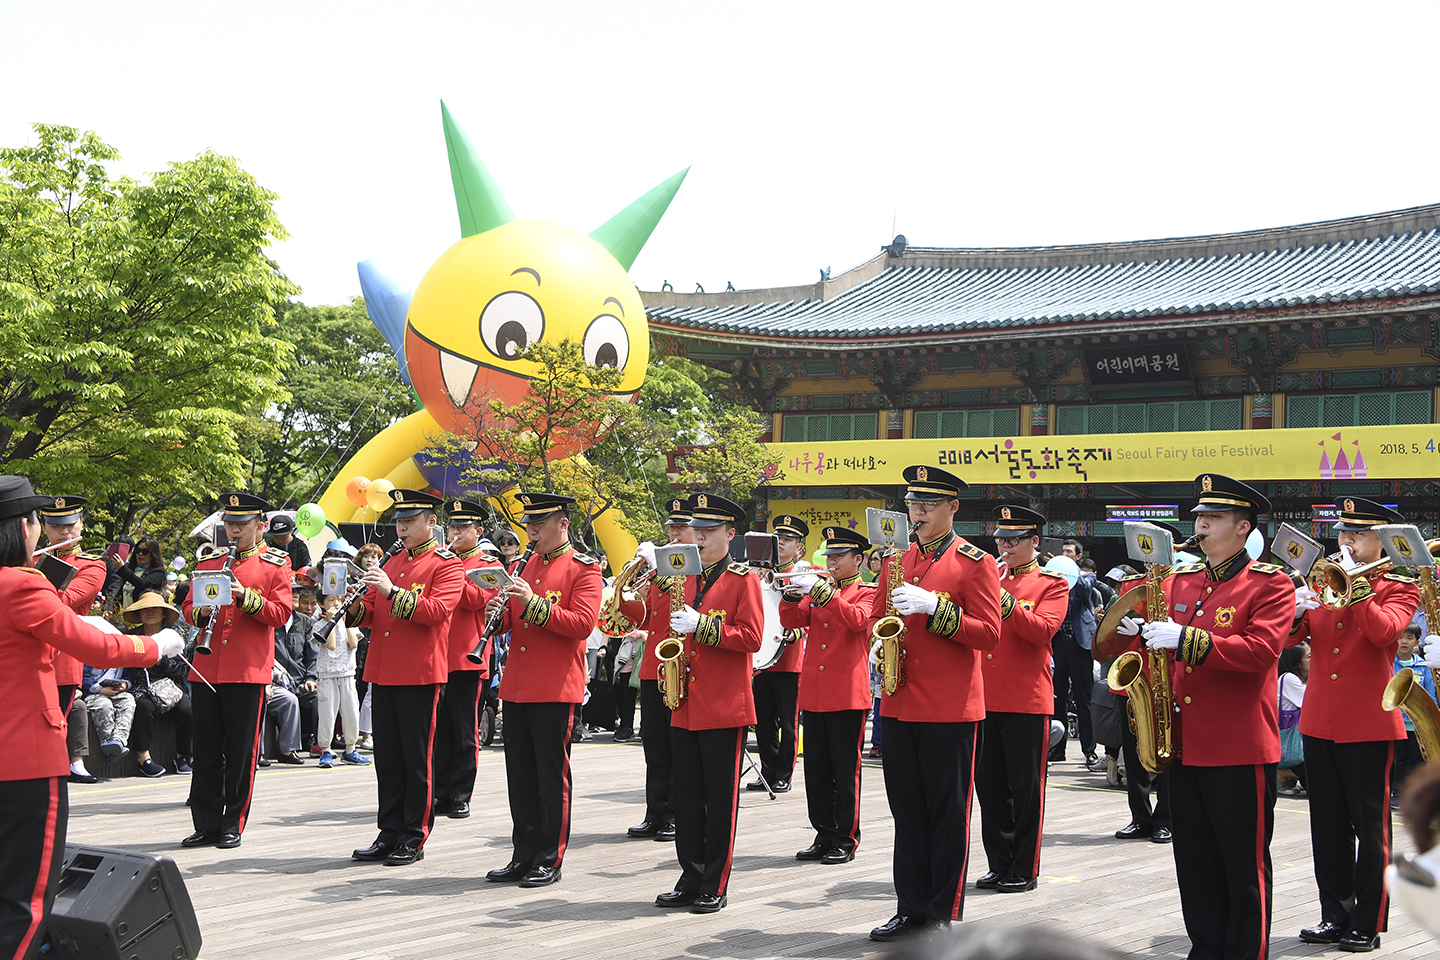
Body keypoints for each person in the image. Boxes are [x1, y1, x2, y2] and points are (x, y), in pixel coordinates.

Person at [0, 475, 181, 960]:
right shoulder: (21, 585)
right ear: (23, 527)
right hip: (25, 760)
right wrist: (157, 644)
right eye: (38, 521)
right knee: (25, 899)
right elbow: (93, 643)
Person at [1113, 473, 1292, 960]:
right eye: (1199, 517)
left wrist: (1186, 640)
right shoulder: (1180, 582)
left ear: (1242, 528)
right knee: (1193, 860)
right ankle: (1206, 948)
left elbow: (1259, 652)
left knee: (1243, 863)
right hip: (1185, 741)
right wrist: (1136, 633)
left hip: (1237, 745)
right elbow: (1158, 651)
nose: (1202, 525)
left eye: (1213, 518)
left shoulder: (1270, 583)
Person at [868, 465, 1001, 941]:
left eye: (928, 504)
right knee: (907, 810)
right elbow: (874, 615)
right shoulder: (895, 560)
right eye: (912, 503)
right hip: (900, 701)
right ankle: (910, 906)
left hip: (949, 707)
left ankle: (941, 913)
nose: (918, 512)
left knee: (947, 813)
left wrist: (936, 608)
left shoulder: (976, 562)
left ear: (953, 508)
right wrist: (872, 642)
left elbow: (989, 634)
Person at [1289, 497, 1420, 952]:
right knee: (1326, 826)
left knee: (1371, 828)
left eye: (1358, 533)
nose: (1347, 540)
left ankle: (1368, 920)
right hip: (1320, 717)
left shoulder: (1399, 585)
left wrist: (1356, 589)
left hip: (1369, 721)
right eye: (1344, 532)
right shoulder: (1324, 578)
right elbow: (1291, 639)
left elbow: (1386, 633)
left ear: (1382, 538)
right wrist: (1298, 606)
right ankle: (1334, 914)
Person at [483, 492, 602, 888]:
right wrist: (496, 617)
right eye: (529, 523)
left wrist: (532, 603)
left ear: (563, 524)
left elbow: (581, 624)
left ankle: (549, 857)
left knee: (551, 778)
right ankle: (523, 853)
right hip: (517, 685)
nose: (531, 530)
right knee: (520, 776)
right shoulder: (523, 564)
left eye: (539, 522)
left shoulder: (584, 569)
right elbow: (516, 625)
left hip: (555, 687)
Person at [653, 492, 763, 914]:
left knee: (719, 800)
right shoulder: (686, 577)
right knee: (687, 796)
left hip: (724, 705)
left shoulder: (742, 579)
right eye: (695, 531)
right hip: (685, 702)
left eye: (708, 531)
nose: (698, 538)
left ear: (730, 534)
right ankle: (690, 874)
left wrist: (704, 626)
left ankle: (713, 881)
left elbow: (751, 638)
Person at [347, 489, 464, 867]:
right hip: (383, 670)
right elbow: (371, 614)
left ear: (431, 522)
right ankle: (389, 830)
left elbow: (437, 611)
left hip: (419, 673)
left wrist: (391, 591)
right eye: (399, 520)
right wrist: (350, 606)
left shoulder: (447, 564)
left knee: (417, 759)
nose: (401, 526)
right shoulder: (393, 561)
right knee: (388, 758)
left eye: (410, 520)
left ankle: (414, 835)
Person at [180, 492, 294, 850]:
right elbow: (186, 608)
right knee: (207, 750)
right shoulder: (211, 561)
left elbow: (281, 614)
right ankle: (206, 823)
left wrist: (245, 596)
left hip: (246, 670)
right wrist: (201, 610)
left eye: (241, 525)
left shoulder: (276, 564)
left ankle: (232, 823)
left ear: (260, 526)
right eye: (229, 523)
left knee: (241, 752)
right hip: (206, 668)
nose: (233, 530)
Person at [975, 506, 1070, 893]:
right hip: (983, 696)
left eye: (1013, 539)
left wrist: (1004, 600)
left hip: (1026, 699)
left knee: (1025, 787)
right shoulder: (989, 576)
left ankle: (1024, 867)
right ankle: (999, 862)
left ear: (1034, 541)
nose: (1005, 545)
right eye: (1000, 539)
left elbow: (1041, 631)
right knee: (990, 787)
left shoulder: (1052, 583)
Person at [778, 525, 876, 864]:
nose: (831, 562)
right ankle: (822, 833)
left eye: (838, 557)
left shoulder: (866, 591)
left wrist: (823, 594)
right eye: (829, 557)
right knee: (817, 770)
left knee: (844, 771)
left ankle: (845, 838)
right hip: (815, 691)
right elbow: (792, 619)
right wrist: (791, 593)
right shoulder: (823, 588)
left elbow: (858, 621)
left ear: (858, 560)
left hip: (847, 692)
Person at [617, 497, 694, 841]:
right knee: (654, 745)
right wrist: (623, 593)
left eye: (682, 527)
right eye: (671, 528)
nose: (674, 534)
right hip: (652, 666)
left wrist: (659, 574)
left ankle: (676, 814)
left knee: (678, 745)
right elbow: (646, 616)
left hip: (682, 667)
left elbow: (687, 604)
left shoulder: (698, 568)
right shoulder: (662, 568)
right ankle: (655, 811)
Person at [433, 498, 500, 819]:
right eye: (453, 527)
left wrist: (450, 568)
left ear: (478, 530)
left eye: (463, 527)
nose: (455, 532)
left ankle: (460, 794)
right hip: (435, 656)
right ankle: (439, 792)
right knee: (439, 729)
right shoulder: (441, 560)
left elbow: (476, 599)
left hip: (467, 658)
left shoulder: (490, 565)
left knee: (463, 730)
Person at [36, 495, 110, 784]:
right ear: (44, 528)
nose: (64, 532)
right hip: (22, 655)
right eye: (56, 526)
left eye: (70, 524)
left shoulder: (92, 565)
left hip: (60, 660)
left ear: (80, 524)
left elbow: (65, 600)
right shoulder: (28, 558)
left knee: (52, 729)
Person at [749, 514, 808, 792]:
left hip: (789, 658)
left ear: (800, 548)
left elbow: (810, 615)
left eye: (788, 540)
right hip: (762, 656)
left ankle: (784, 773)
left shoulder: (804, 574)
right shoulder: (761, 572)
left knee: (787, 721)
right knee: (762, 720)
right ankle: (767, 771)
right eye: (778, 539)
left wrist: (797, 632)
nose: (781, 543)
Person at [121, 592, 194, 777]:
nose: (150, 612)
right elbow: (127, 665)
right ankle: (143, 758)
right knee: (144, 707)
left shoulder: (174, 634)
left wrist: (161, 662)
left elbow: (183, 669)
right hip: (142, 686)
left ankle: (182, 756)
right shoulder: (131, 635)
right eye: (145, 610)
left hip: (171, 686)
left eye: (155, 609)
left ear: (163, 613)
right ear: (139, 615)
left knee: (188, 710)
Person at [1052, 538, 1102, 770]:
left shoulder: (1086, 577)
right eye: (1063, 551)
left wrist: (1071, 574)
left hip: (1080, 646)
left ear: (1078, 556)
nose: (1065, 555)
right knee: (1057, 698)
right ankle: (1058, 748)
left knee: (1084, 700)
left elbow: (1083, 590)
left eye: (1069, 552)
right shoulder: (1053, 576)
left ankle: (1089, 750)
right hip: (1058, 645)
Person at [312, 591, 368, 767]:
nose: (336, 603)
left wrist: (346, 621)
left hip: (347, 673)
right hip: (327, 675)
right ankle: (326, 749)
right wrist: (331, 622)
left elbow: (353, 644)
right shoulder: (319, 625)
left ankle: (350, 748)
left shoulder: (349, 623)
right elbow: (331, 645)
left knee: (351, 711)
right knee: (327, 713)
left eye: (339, 600)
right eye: (331, 600)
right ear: (322, 604)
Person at [275, 586, 320, 753]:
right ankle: (287, 747)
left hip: (300, 680)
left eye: (296, 594)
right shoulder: (270, 622)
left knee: (318, 694)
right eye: (290, 593)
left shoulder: (305, 622)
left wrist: (311, 678)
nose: (294, 596)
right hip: (276, 682)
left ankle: (317, 741)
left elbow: (312, 655)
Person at [1393, 624, 1434, 801]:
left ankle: (1417, 797)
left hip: (1416, 726)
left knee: (1418, 762)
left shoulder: (1424, 667)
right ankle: (1398, 794)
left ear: (1417, 642)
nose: (1404, 641)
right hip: (1395, 725)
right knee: (1398, 761)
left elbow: (1430, 695)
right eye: (1401, 637)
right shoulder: (1388, 664)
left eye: (1409, 638)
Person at [82, 662, 136, 763]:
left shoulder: (122, 657)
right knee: (104, 705)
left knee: (128, 701)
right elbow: (83, 677)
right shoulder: (90, 654)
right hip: (93, 692)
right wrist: (100, 689)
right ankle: (108, 745)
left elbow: (127, 677)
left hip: (116, 691)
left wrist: (124, 685)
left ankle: (118, 740)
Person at [1276, 641, 1309, 797]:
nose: (1314, 660)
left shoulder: (1297, 678)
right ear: (1297, 662)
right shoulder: (1289, 679)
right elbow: (1312, 700)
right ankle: (1283, 774)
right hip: (1290, 733)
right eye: (1309, 657)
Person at [115, 536, 166, 609]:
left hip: (144, 616)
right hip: (125, 616)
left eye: (145, 551)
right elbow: (120, 595)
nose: (140, 554)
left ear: (153, 554)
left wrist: (123, 569)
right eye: (138, 550)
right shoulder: (131, 569)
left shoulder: (158, 572)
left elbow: (143, 584)